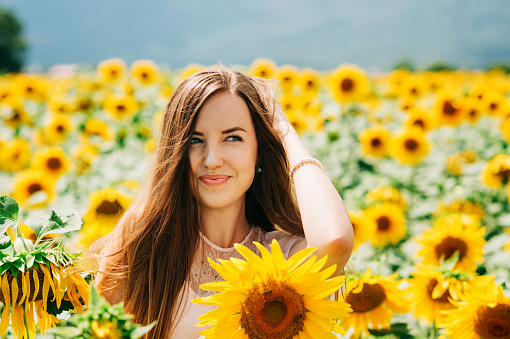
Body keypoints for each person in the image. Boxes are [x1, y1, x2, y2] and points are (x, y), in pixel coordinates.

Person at [93, 67, 354, 338]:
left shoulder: (282, 263)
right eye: (195, 140)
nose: (212, 159)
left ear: (259, 152)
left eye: (233, 138)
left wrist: (285, 132)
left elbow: (335, 240)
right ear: (176, 152)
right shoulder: (145, 245)